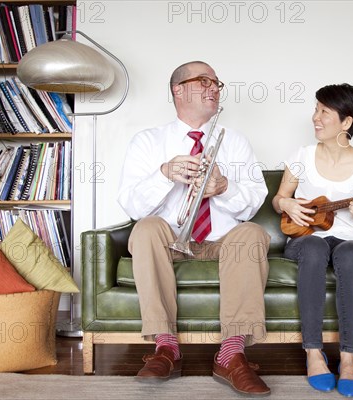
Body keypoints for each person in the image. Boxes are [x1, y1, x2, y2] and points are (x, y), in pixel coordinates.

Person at [117, 61, 271, 396]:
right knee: (145, 228)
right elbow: (132, 206)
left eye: (217, 83)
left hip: (221, 241)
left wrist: (224, 187)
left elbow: (255, 199)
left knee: (253, 233)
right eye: (204, 81)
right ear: (178, 89)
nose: (214, 88)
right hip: (171, 240)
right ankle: (166, 347)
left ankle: (231, 354)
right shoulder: (147, 141)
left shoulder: (237, 141)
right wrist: (163, 175)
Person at [271, 83, 353, 397]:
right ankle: (313, 353)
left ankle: (349, 359)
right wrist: (287, 204)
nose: (315, 118)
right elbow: (279, 199)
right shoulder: (302, 156)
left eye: (324, 112)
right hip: (307, 237)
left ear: (346, 122)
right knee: (314, 245)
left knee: (349, 253)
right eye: (315, 109)